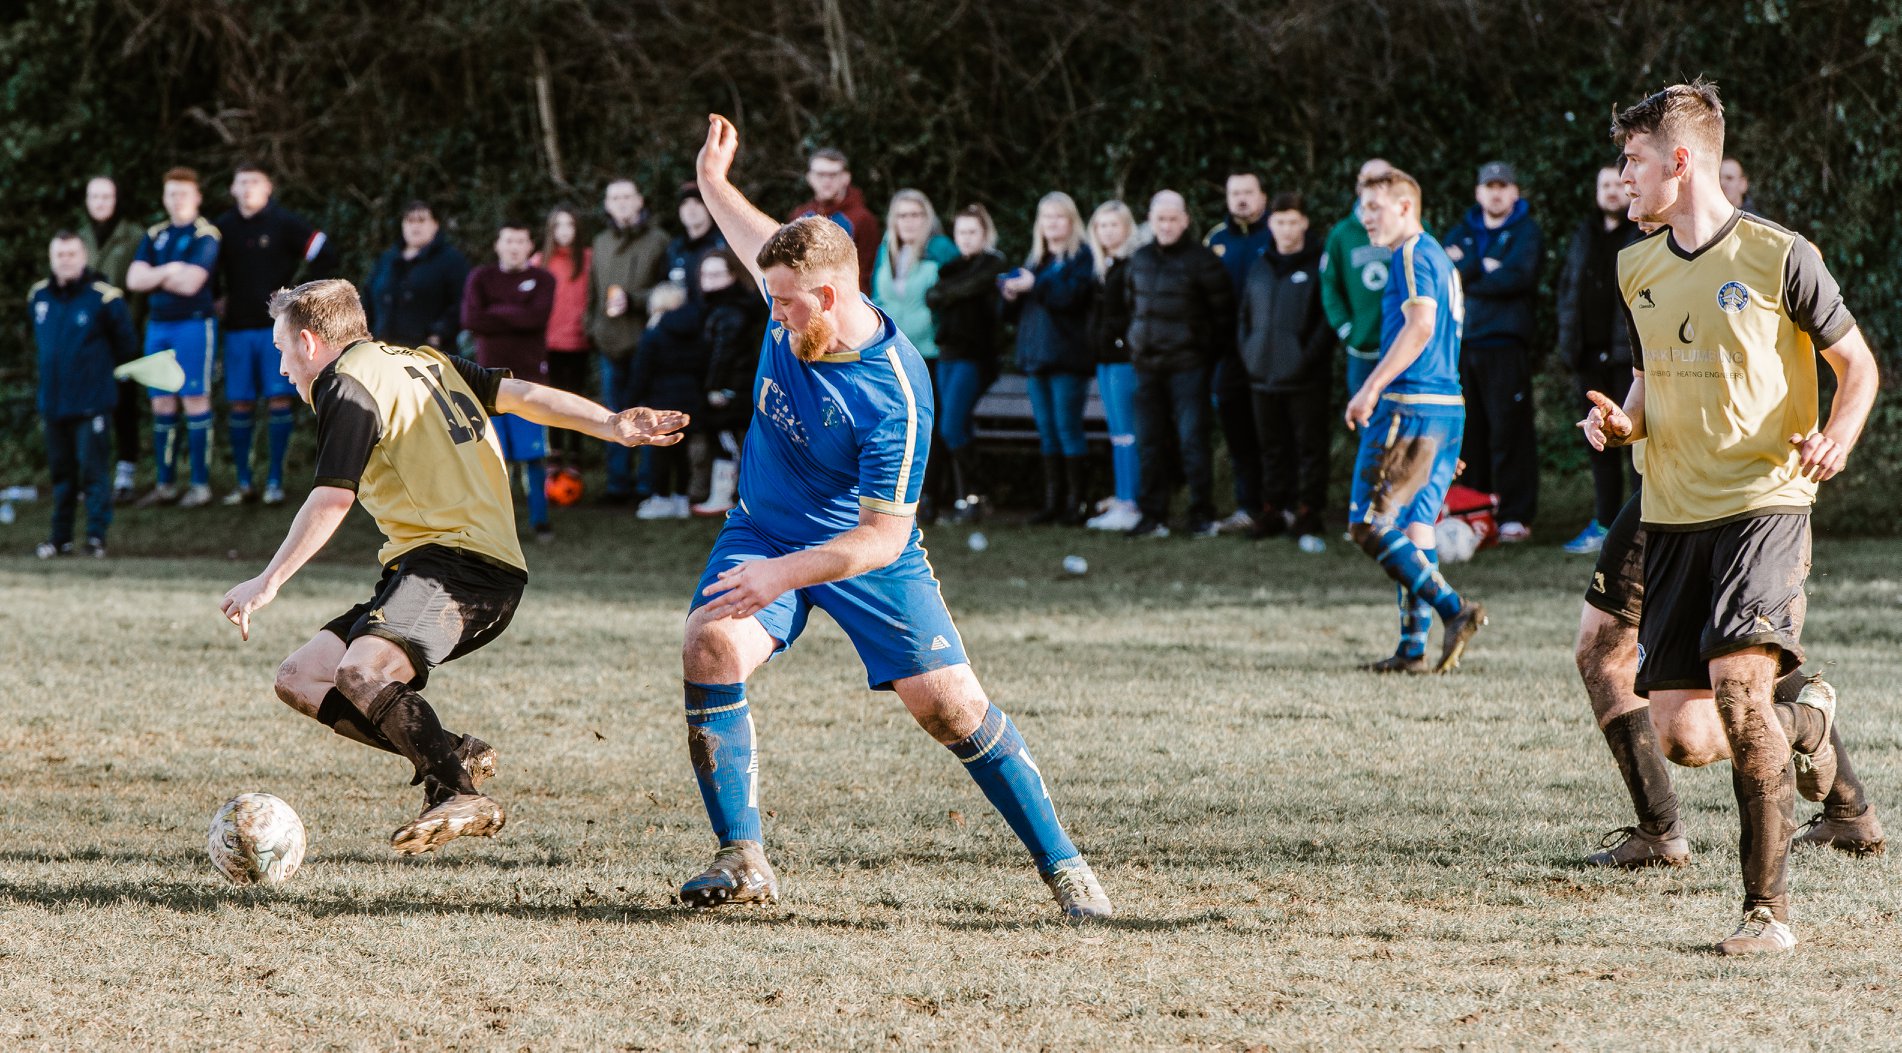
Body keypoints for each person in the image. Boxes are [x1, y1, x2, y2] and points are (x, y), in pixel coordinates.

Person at [676, 114, 1110, 918]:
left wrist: (779, 574)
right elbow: (751, 231)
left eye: (784, 306)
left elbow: (883, 535)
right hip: (764, 529)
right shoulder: (795, 280)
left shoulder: (897, 392)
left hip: (862, 548)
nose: (772, 317)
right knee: (708, 645)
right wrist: (711, 176)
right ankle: (743, 858)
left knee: (948, 707)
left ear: (832, 298)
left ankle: (1066, 865)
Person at [218, 278, 684, 855]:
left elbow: (332, 497)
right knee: (299, 677)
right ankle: (453, 756)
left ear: (310, 342)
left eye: (281, 349)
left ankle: (459, 792)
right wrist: (609, 424)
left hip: (461, 567)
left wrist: (268, 582)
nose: (283, 366)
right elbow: (525, 396)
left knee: (363, 673)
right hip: (433, 565)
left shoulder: (348, 383)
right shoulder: (424, 362)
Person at [1579, 79, 1881, 955]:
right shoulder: (1634, 264)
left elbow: (1856, 366)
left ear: (1680, 161)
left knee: (1744, 697)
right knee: (1683, 731)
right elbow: (1649, 376)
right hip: (1672, 512)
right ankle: (1810, 721)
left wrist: (1836, 437)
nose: (1622, 177)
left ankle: (1766, 914)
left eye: (1632, 161)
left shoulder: (1780, 254)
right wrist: (1623, 422)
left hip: (1764, 503)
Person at [1574, 493, 1883, 873]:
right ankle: (1659, 831)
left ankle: (1810, 731)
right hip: (1666, 484)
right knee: (1604, 650)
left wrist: (1834, 438)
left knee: (1700, 724)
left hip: (1733, 492)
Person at [1344, 168, 1485, 674]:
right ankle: (1411, 649)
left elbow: (1422, 325)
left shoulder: (1410, 252)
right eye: (1363, 208)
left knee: (1368, 523)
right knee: (1416, 527)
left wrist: (1370, 387)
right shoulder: (1441, 259)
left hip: (1410, 402)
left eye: (1375, 208)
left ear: (1405, 208)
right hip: (1445, 406)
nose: (1365, 218)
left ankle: (1455, 610)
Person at [215, 164, 338, 506]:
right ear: (233, 189)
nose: (249, 188)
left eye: (255, 181)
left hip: (277, 330)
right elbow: (205, 267)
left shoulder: (285, 222)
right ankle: (243, 483)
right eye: (242, 182)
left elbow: (324, 251)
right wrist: (215, 296)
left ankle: (275, 482)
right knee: (240, 402)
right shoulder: (222, 228)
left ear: (268, 187)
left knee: (279, 399)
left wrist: (300, 295)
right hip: (237, 327)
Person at [1442, 162, 1545, 543]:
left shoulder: (1527, 232)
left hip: (1506, 346)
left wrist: (1472, 275)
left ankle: (1514, 515)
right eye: (1490, 186)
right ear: (1478, 193)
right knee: (1471, 434)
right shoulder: (1462, 232)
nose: (1496, 193)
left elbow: (1518, 277)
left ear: (1515, 192)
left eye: (1503, 186)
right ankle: (1475, 510)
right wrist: (1482, 269)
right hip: (1465, 346)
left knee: (1510, 432)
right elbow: (1446, 272)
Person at [1124, 190, 1232, 539]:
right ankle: (1152, 514)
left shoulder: (1204, 261)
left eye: (1173, 219)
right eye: (1160, 219)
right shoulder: (1138, 259)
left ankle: (1201, 513)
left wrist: (1201, 352)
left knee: (1192, 441)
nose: (1167, 226)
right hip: (1147, 367)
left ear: (1185, 220)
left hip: (1189, 367)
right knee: (1149, 442)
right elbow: (1130, 307)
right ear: (1151, 221)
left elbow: (1223, 317)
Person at [30, 232, 136, 558]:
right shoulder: (39, 296)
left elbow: (127, 348)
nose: (65, 260)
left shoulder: (105, 297)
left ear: (84, 256)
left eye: (71, 254)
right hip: (54, 403)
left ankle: (95, 538)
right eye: (59, 254)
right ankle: (59, 539)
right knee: (62, 476)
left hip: (93, 403)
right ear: (52, 258)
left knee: (94, 472)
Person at [1237, 192, 1332, 549]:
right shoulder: (1260, 264)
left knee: (1309, 445)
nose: (1286, 229)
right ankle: (1274, 506)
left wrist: (1305, 358)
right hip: (1262, 374)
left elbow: (1327, 319)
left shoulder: (1319, 264)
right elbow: (1245, 315)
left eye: (1293, 221)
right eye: (1279, 222)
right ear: (1270, 224)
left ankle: (1308, 508)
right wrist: (1249, 353)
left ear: (1304, 223)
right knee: (1271, 446)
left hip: (1305, 377)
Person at [1555, 166, 1641, 554]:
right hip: (1588, 357)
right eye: (1603, 185)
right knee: (1599, 442)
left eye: (1618, 185)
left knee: (1637, 441)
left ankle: (1641, 526)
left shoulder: (1640, 234)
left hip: (1628, 357)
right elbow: (1567, 289)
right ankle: (1605, 523)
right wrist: (1567, 344)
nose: (1611, 192)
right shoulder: (1583, 235)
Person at [125, 167, 221, 508]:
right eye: (171, 193)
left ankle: (199, 485)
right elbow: (134, 279)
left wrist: (157, 275)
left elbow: (193, 283)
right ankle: (164, 485)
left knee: (194, 398)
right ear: (164, 197)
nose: (177, 199)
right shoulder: (155, 234)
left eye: (183, 193)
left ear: (196, 196)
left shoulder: (205, 234)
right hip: (158, 326)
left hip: (193, 325)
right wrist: (170, 270)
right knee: (161, 402)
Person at [1003, 192, 1097, 525]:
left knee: (1067, 428)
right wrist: (1011, 295)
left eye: (1059, 217)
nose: (1052, 223)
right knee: (1047, 430)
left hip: (1068, 358)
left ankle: (1077, 504)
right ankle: (1052, 503)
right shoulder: (1036, 260)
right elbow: (1017, 314)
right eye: (1046, 217)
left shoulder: (1083, 258)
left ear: (1072, 222)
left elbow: (1070, 299)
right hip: (1035, 357)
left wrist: (1035, 285)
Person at [463, 222, 558, 541]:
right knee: (491, 457)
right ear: (498, 244)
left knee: (532, 457)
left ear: (531, 246)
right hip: (487, 382)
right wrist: (515, 313)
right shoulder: (481, 278)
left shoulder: (543, 280)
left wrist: (496, 313)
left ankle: (540, 522)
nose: (514, 247)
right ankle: (494, 525)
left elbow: (536, 318)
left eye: (520, 240)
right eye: (509, 240)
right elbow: (472, 319)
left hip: (530, 381)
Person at [872, 189, 958, 519]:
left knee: (927, 426)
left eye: (915, 215)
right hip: (893, 354)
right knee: (897, 426)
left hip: (933, 352)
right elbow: (878, 296)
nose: (908, 222)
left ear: (928, 218)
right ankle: (896, 499)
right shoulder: (887, 250)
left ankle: (932, 497)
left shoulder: (941, 249)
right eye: (902, 215)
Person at [588, 178, 671, 503]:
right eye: (615, 198)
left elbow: (669, 289)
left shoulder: (659, 240)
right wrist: (591, 328)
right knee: (611, 414)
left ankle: (647, 485)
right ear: (607, 205)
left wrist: (635, 300)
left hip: (644, 344)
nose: (622, 203)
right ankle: (617, 485)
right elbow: (593, 294)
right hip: (608, 343)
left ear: (640, 201)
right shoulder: (601, 242)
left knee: (647, 414)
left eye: (627, 196)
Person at [925, 204, 1009, 523]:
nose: (966, 238)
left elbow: (958, 291)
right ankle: (970, 499)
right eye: (961, 232)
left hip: (975, 356)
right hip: (948, 353)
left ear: (985, 234)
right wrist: (950, 293)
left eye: (973, 232)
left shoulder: (994, 263)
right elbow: (933, 296)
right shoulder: (951, 267)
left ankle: (983, 489)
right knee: (952, 427)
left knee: (951, 427)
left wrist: (949, 294)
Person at [1204, 172, 1272, 534]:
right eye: (1235, 193)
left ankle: (1279, 506)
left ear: (1262, 196)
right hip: (1227, 353)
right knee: (1238, 434)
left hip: (1269, 352)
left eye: (1248, 192)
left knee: (1272, 432)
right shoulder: (1215, 239)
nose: (1241, 200)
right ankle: (1247, 505)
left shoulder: (1276, 234)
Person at [76, 175, 146, 501]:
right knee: (88, 407)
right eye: (95, 196)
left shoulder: (134, 236)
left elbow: (139, 288)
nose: (101, 202)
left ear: (116, 199)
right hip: (87, 338)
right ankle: (91, 474)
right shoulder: (79, 238)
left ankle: (126, 474)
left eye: (106, 196)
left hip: (122, 334)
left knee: (124, 405)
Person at [693, 248, 766, 517]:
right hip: (733, 386)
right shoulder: (717, 307)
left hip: (731, 388)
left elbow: (724, 352)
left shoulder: (731, 310)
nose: (710, 280)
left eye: (717, 274)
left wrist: (714, 386)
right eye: (706, 274)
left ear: (733, 275)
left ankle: (725, 497)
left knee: (727, 442)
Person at [1083, 200, 1141, 532]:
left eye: (1113, 225)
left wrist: (1122, 340)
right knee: (1117, 433)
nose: (1107, 231)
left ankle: (1131, 502)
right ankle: (1122, 498)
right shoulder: (1102, 266)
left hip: (1124, 359)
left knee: (1127, 433)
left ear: (1126, 228)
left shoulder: (1132, 265)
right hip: (1104, 358)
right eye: (1101, 225)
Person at [629, 282, 704, 519]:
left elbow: (641, 373)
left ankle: (661, 498)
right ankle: (681, 499)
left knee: (659, 453)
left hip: (660, 403)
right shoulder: (695, 331)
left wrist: (629, 401)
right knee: (682, 454)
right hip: (689, 401)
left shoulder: (654, 334)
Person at [1321, 158, 1394, 398]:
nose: (1375, 187)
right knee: (1368, 428)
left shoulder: (1413, 228)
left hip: (1404, 348)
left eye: (1382, 180)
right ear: (1358, 186)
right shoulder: (1341, 234)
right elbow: (1329, 285)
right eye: (1368, 181)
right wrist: (1346, 328)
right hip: (1363, 351)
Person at [532, 205, 594, 471]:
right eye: (558, 226)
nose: (564, 231)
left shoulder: (588, 259)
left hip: (579, 342)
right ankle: (554, 456)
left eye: (569, 225)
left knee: (577, 399)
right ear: (551, 230)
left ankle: (576, 457)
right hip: (549, 344)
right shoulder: (539, 262)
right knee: (552, 401)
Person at [364, 200, 468, 351]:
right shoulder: (387, 260)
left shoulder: (452, 260)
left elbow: (461, 302)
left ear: (435, 224)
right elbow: (368, 297)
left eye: (422, 220)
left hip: (429, 352)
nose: (415, 226)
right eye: (410, 220)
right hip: (384, 349)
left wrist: (439, 333)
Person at [787, 146, 880, 292]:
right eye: (820, 174)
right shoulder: (799, 215)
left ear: (846, 178)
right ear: (810, 177)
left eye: (833, 175)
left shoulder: (862, 219)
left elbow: (867, 273)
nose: (826, 180)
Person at [667, 182, 726, 300]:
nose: (691, 208)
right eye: (685, 203)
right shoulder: (674, 248)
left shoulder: (723, 244)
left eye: (698, 202)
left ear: (709, 206)